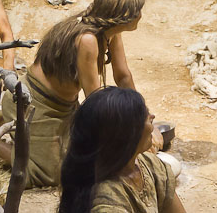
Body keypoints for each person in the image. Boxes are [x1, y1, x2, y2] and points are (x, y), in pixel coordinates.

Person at [0, 0, 147, 188]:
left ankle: (21, 135)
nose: (140, 15)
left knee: (83, 162)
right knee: (52, 175)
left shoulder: (110, 32)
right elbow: (95, 101)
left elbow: (123, 77)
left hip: (65, 109)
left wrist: (142, 118)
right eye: (137, 11)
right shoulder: (87, 40)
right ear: (123, 15)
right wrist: (125, 136)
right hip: (34, 105)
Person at [58, 87, 186, 213]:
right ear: (125, 135)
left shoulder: (151, 165)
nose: (152, 117)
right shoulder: (108, 200)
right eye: (144, 115)